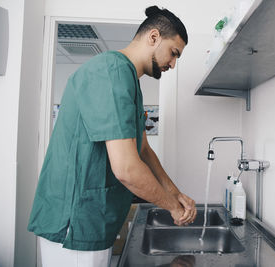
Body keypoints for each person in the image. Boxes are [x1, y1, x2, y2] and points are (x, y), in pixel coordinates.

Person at [27, 6, 197, 267]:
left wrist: (176, 194)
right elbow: (127, 169)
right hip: (75, 221)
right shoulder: (110, 72)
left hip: (95, 219)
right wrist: (172, 208)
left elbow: (143, 150)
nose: (173, 64)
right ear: (154, 37)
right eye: (174, 53)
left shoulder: (129, 80)